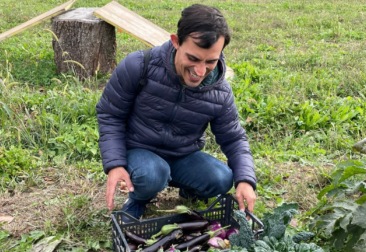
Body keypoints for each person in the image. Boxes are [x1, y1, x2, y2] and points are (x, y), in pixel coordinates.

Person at [96, 4, 257, 219]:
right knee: (152, 174)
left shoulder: (220, 91)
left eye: (210, 61)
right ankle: (139, 198)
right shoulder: (139, 65)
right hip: (140, 151)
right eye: (193, 58)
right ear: (175, 41)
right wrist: (115, 164)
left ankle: (188, 189)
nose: (200, 71)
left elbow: (234, 138)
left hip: (182, 155)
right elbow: (110, 114)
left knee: (221, 179)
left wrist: (245, 179)